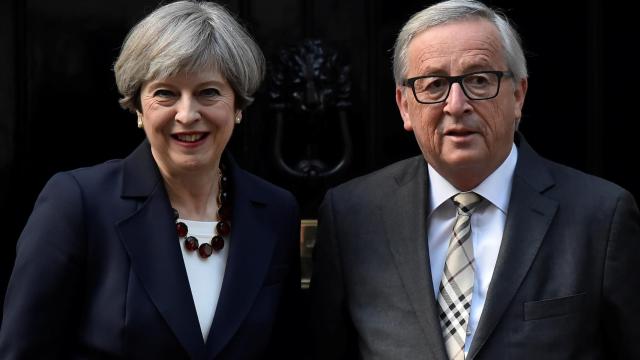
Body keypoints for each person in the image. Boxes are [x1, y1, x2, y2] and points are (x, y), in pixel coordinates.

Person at [310, 0, 640, 359]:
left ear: (518, 95)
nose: (456, 104)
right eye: (434, 84)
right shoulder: (352, 215)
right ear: (405, 105)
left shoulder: (601, 216)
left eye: (479, 80)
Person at [0, 1, 301, 358]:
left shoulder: (275, 210)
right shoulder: (78, 203)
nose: (187, 114)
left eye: (208, 92)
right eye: (165, 93)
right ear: (138, 108)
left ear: (238, 106)